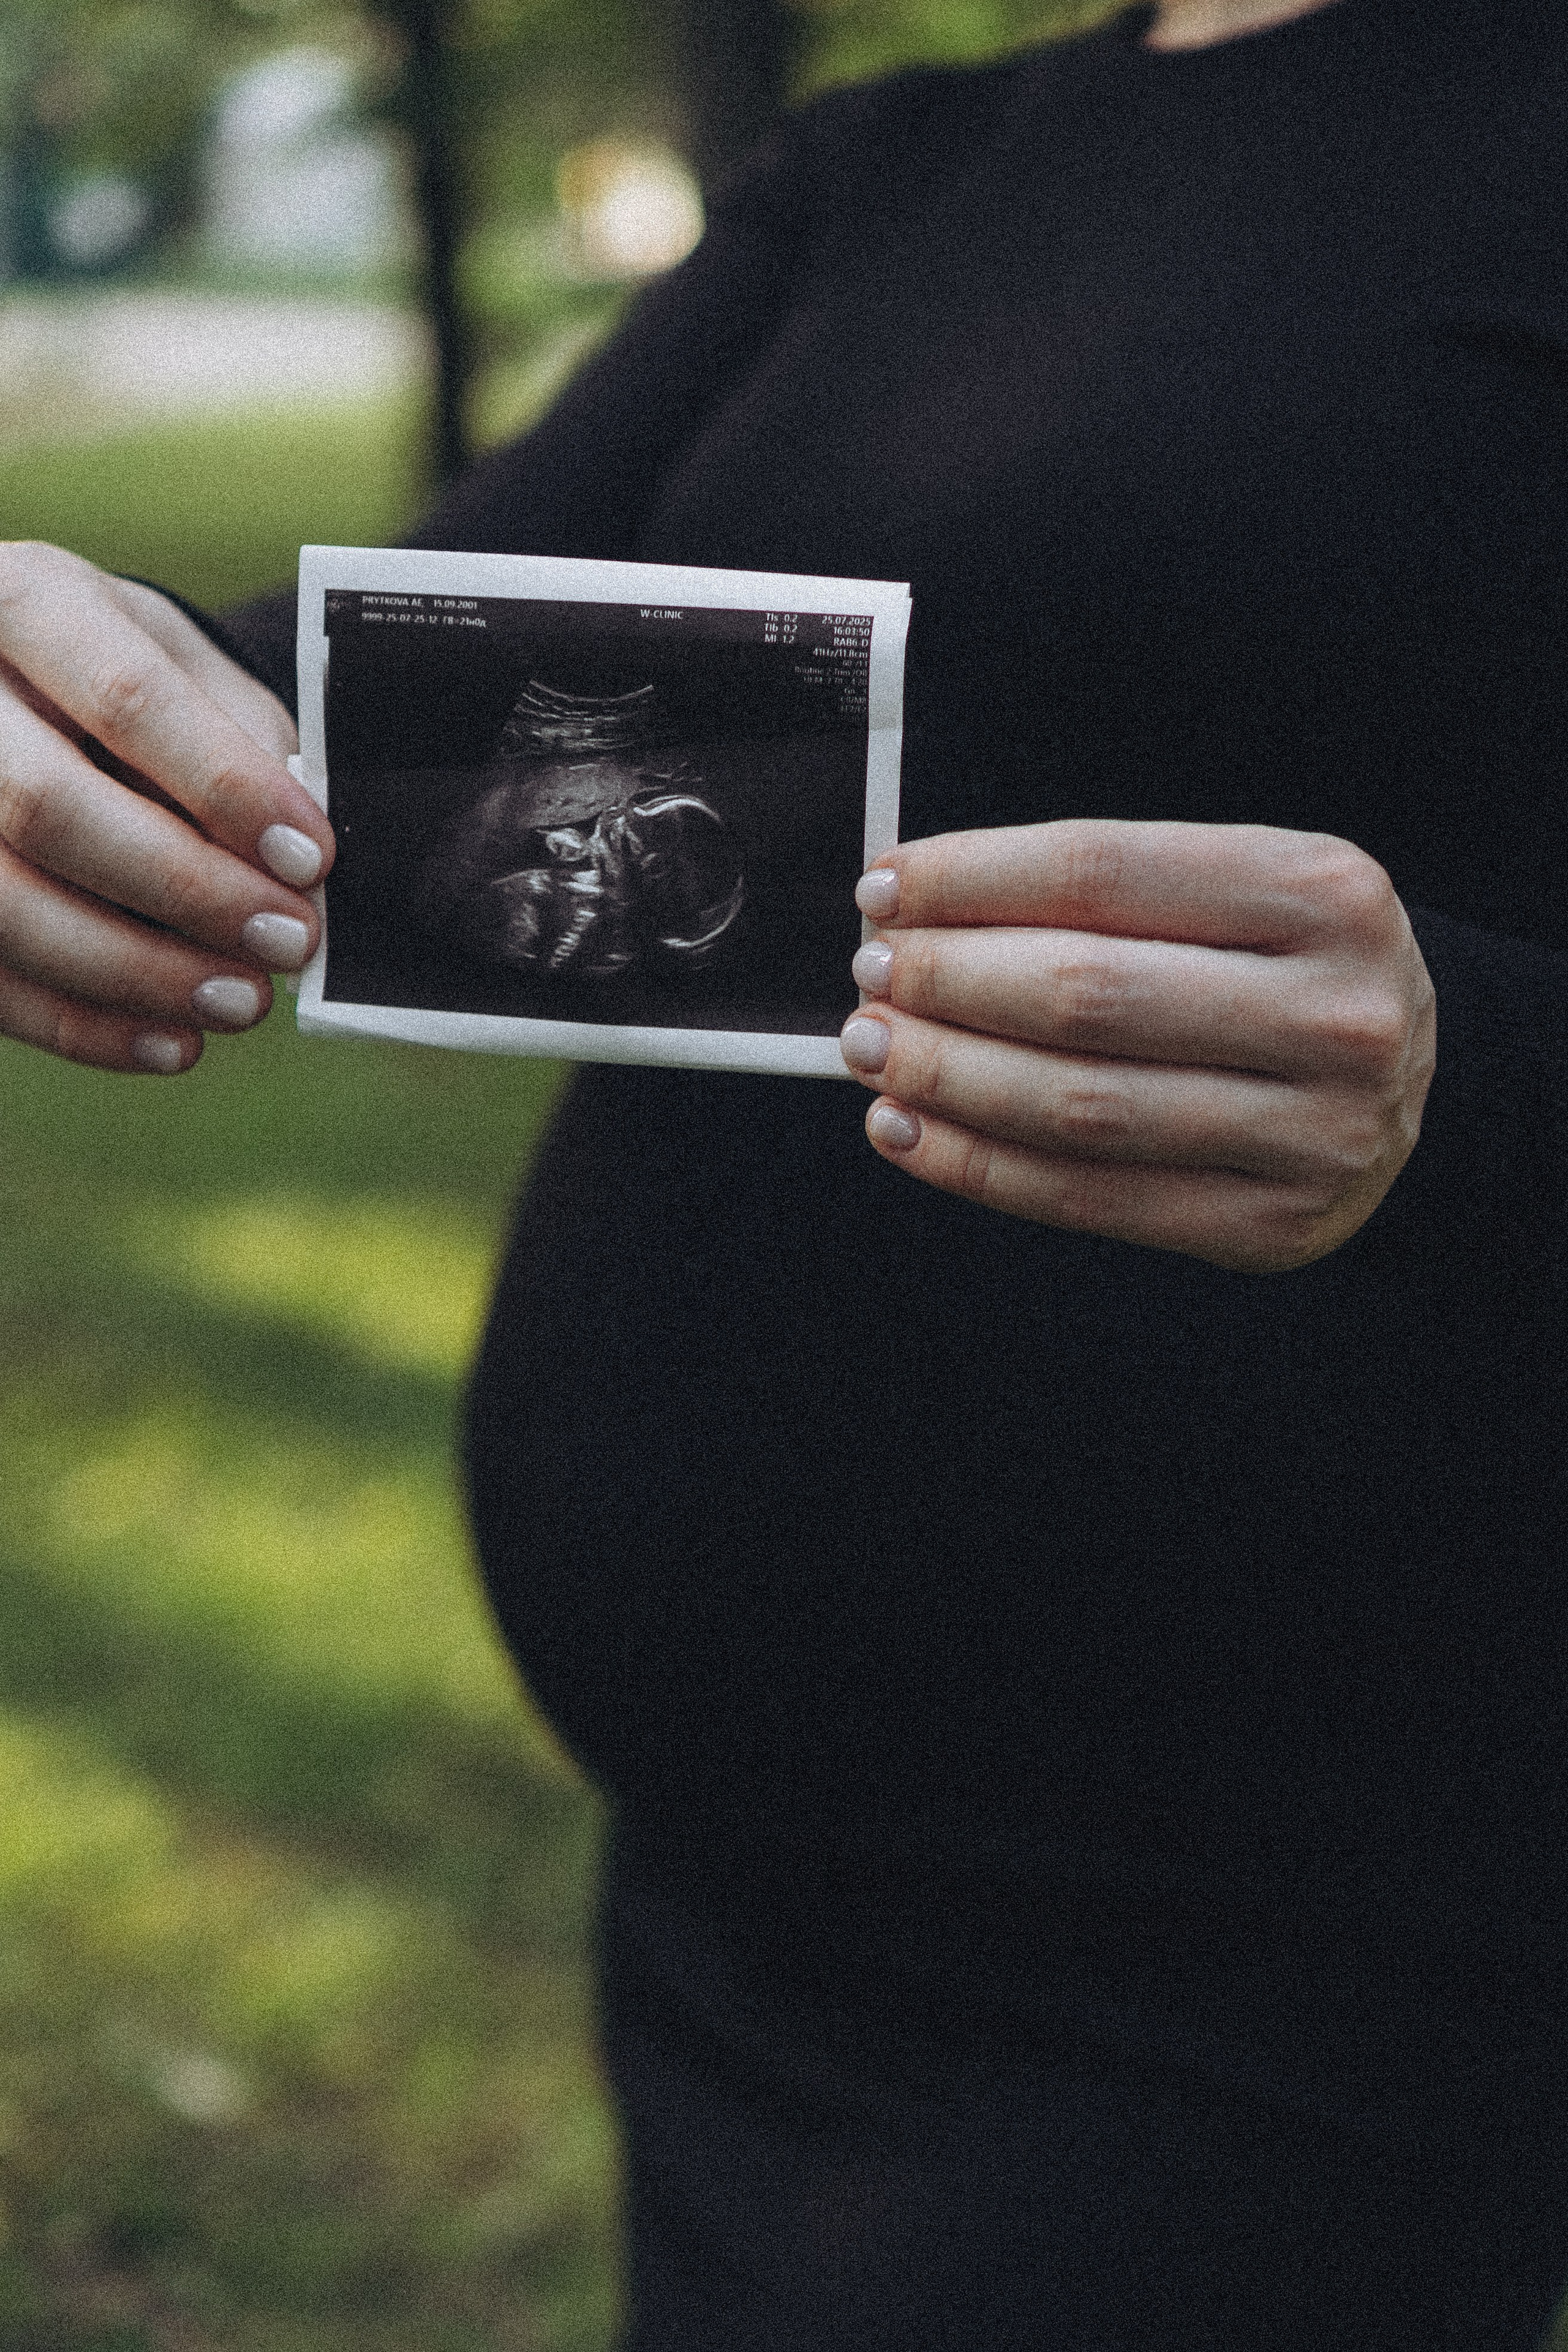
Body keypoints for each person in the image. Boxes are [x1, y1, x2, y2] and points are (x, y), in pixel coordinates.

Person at [1, 0, 1564, 2337]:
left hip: (1272, 1939)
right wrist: (76, 710)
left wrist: (1485, 1068)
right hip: (750, 1914)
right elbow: (394, 708)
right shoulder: (908, 165)